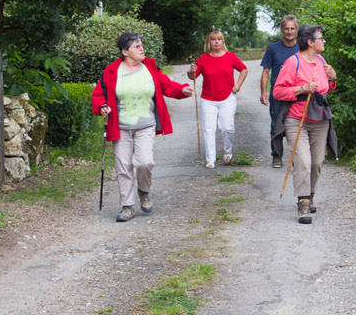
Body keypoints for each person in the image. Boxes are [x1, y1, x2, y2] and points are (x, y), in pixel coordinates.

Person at [92, 32, 193, 222]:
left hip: (145, 124)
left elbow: (167, 85)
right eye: (136, 46)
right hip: (120, 126)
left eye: (141, 45)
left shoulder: (150, 67)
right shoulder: (112, 71)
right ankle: (127, 206)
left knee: (144, 162)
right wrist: (102, 106)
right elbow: (99, 94)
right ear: (125, 51)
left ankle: (144, 192)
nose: (141, 48)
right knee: (123, 165)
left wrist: (182, 90)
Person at [272, 24, 338, 224]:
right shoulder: (293, 63)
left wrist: (333, 78)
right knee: (303, 160)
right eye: (321, 38)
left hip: (320, 118)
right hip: (296, 119)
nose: (324, 41)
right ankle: (302, 202)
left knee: (317, 162)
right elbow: (278, 91)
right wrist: (302, 88)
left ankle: (310, 195)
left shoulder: (321, 60)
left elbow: (327, 88)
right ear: (310, 42)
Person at [187, 29, 248, 168]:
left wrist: (237, 86)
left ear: (222, 41)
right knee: (209, 128)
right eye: (213, 39)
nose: (216, 42)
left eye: (219, 39)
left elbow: (244, 69)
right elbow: (193, 76)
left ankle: (228, 151)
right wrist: (192, 70)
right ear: (209, 42)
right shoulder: (203, 59)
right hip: (208, 99)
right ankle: (210, 159)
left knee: (227, 127)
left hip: (227, 97)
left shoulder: (230, 56)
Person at [260, 15, 300, 168]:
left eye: (292, 28)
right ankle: (276, 156)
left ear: (296, 30)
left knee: (296, 126)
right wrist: (263, 92)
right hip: (277, 95)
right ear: (282, 30)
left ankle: (297, 158)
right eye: (286, 28)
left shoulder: (301, 48)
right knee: (276, 126)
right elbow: (265, 71)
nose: (289, 31)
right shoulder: (273, 48)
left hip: (297, 94)